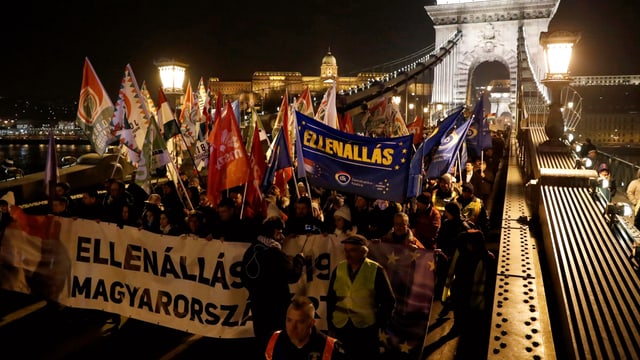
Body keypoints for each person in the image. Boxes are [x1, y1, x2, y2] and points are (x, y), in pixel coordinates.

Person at [327, 234, 396, 360]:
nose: (347, 254)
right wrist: (330, 324)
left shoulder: (376, 270)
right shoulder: (339, 268)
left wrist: (378, 324)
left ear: (363, 251)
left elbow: (389, 301)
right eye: (345, 250)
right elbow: (331, 298)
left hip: (365, 329)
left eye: (352, 251)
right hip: (341, 326)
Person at [241, 216, 306, 351]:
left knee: (263, 339)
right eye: (280, 232)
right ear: (275, 233)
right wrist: (299, 259)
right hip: (276, 306)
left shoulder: (253, 249)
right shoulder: (274, 253)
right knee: (278, 342)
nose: (282, 236)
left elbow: (244, 277)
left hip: (258, 305)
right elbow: (293, 275)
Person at [265, 295, 349, 360]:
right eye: (289, 320)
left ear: (312, 323)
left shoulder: (331, 348)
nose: (292, 327)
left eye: (300, 322)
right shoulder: (271, 341)